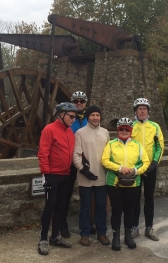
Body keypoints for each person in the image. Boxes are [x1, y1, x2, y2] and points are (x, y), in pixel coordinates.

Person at [101, 117, 150, 251]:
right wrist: (119, 168)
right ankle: (116, 236)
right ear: (118, 130)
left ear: (131, 131)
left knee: (130, 210)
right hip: (114, 183)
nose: (124, 131)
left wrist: (135, 170)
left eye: (126, 129)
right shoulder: (111, 144)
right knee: (116, 210)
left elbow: (146, 162)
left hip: (133, 182)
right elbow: (104, 160)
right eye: (121, 129)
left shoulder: (137, 145)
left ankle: (128, 235)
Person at [37, 102, 78, 256]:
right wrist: (45, 174)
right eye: (71, 116)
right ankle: (43, 239)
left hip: (65, 175)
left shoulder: (70, 133)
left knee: (61, 207)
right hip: (52, 175)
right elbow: (43, 153)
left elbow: (73, 153)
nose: (73, 119)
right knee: (50, 206)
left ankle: (55, 236)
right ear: (61, 114)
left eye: (75, 117)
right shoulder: (49, 129)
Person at [73, 105, 110, 247]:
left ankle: (102, 233)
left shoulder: (105, 132)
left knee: (101, 207)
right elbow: (76, 155)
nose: (95, 118)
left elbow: (109, 153)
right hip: (85, 178)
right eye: (93, 115)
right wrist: (83, 170)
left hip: (101, 176)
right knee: (85, 207)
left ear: (100, 117)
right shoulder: (80, 133)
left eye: (97, 115)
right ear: (88, 117)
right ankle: (85, 234)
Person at [61, 91, 94, 238]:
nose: (79, 103)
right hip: (69, 162)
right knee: (65, 195)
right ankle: (62, 225)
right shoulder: (68, 119)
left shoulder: (90, 118)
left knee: (87, 195)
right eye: (76, 101)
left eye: (81, 101)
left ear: (85, 103)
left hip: (86, 161)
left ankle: (86, 224)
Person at [130, 98, 164, 241]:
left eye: (144, 108)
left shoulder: (155, 126)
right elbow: (127, 146)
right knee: (134, 199)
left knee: (149, 198)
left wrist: (155, 162)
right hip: (136, 169)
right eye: (139, 108)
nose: (142, 111)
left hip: (150, 168)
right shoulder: (131, 126)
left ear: (148, 111)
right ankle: (134, 227)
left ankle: (149, 227)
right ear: (136, 111)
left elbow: (159, 146)